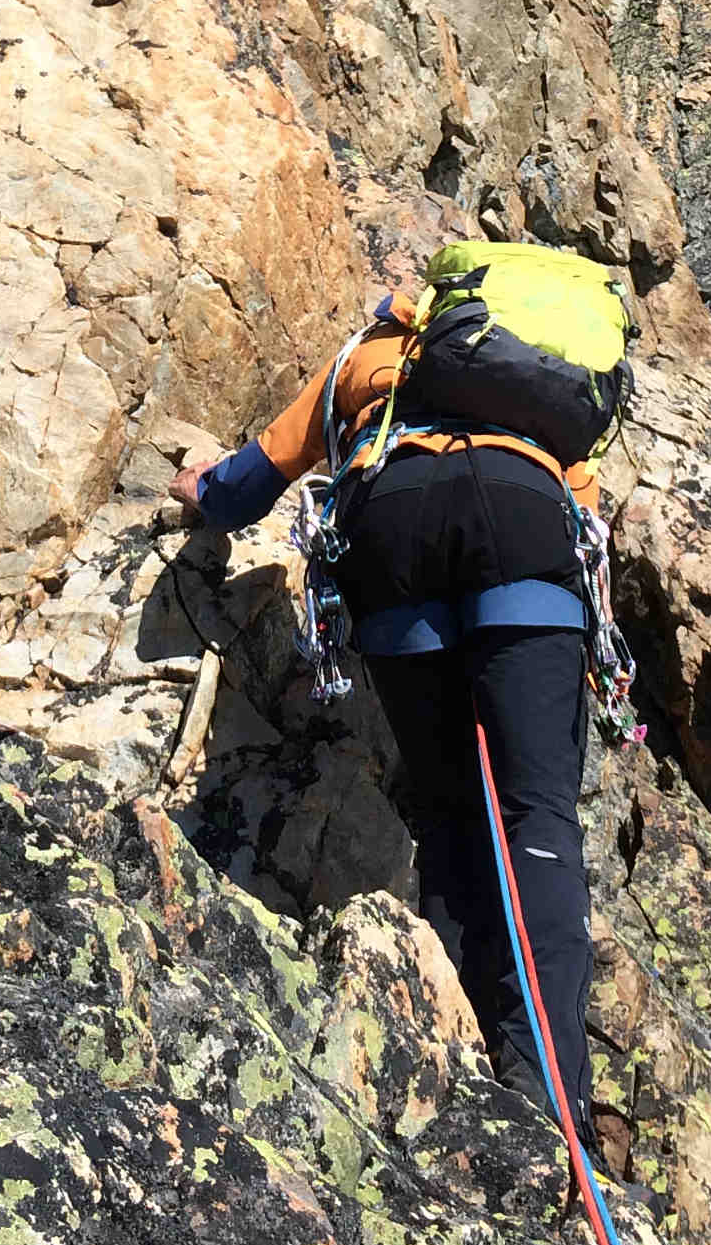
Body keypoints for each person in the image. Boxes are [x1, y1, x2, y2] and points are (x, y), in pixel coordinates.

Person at [175, 276, 610, 1135]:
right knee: (536, 817)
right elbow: (586, 515)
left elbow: (249, 482)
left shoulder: (369, 361)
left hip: (395, 525)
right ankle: (550, 1091)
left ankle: (454, 1055)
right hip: (524, 522)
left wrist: (198, 490)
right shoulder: (542, 397)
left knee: (448, 816)